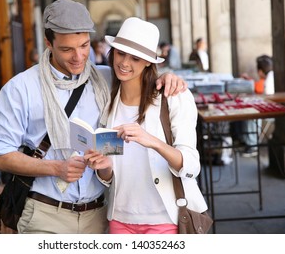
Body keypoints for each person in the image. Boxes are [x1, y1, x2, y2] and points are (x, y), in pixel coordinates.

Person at [0, 0, 187, 234]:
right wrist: (55, 168)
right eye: (67, 49)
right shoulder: (20, 88)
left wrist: (167, 77)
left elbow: (139, 72)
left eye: (84, 46)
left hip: (99, 214)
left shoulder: (105, 78)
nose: (79, 57)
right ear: (48, 43)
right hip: (45, 213)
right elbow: (0, 156)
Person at [85, 17, 208, 234]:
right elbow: (109, 177)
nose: (124, 63)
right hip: (120, 218)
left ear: (149, 61)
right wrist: (103, 167)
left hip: (165, 218)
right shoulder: (107, 100)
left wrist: (151, 140)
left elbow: (191, 165)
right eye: (120, 53)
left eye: (135, 58)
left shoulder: (173, 96)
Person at [235, 55, 275, 157]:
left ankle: (252, 145)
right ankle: (247, 140)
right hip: (268, 105)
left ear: (260, 71)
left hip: (270, 109)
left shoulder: (269, 79)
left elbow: (262, 91)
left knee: (249, 114)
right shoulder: (270, 76)